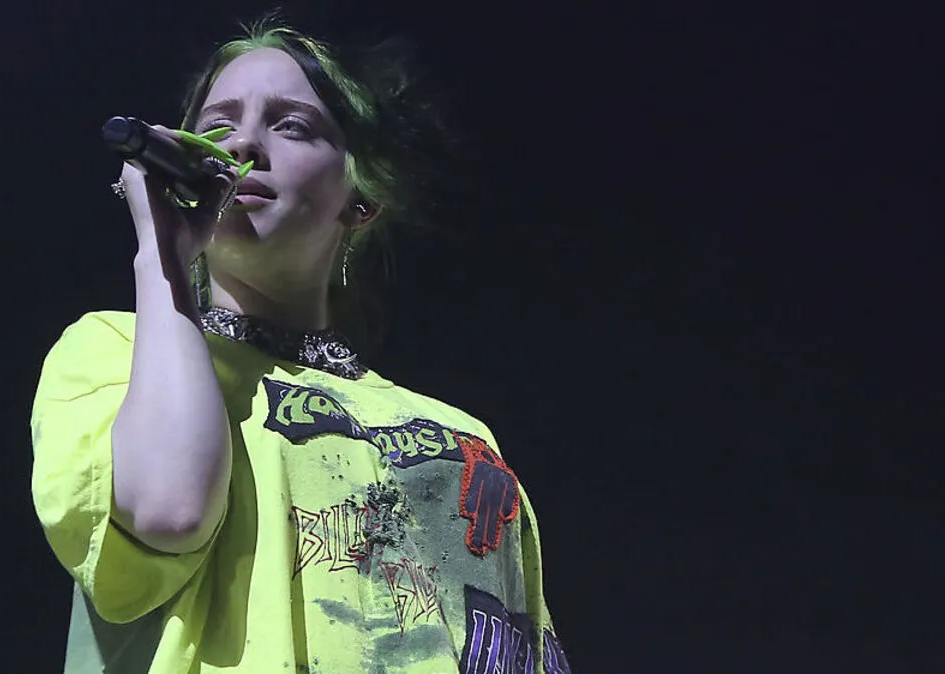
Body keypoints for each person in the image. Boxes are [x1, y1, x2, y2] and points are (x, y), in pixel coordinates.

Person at [30, 16, 573, 674]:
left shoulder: (463, 439)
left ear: (360, 199)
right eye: (218, 126)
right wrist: (163, 255)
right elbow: (168, 511)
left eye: (291, 125)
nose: (244, 145)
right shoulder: (111, 353)